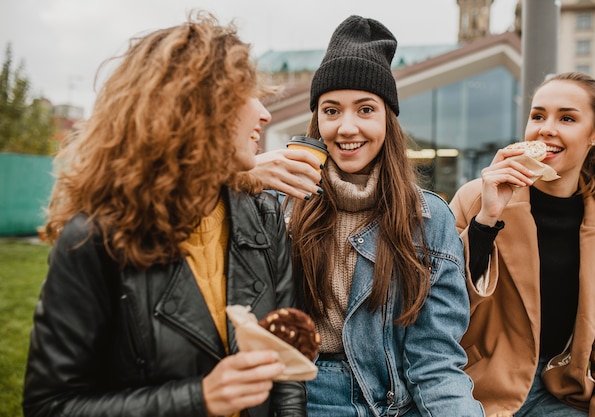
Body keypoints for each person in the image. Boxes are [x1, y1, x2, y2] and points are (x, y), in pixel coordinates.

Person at [22, 11, 307, 417]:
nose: (264, 112)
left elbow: (286, 370)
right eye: (245, 94)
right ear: (197, 107)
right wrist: (199, 398)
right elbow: (49, 406)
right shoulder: (94, 239)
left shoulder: (262, 216)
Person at [252, 15, 485, 417]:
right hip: (305, 398)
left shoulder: (430, 218)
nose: (346, 127)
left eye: (364, 109)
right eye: (331, 110)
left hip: (399, 401)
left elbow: (435, 360)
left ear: (386, 119)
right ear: (317, 120)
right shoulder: (279, 204)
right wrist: (244, 175)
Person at [449, 72, 595, 417]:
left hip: (558, 389)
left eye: (567, 118)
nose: (546, 128)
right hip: (475, 384)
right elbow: (439, 304)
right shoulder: (475, 198)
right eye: (538, 115)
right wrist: (485, 222)